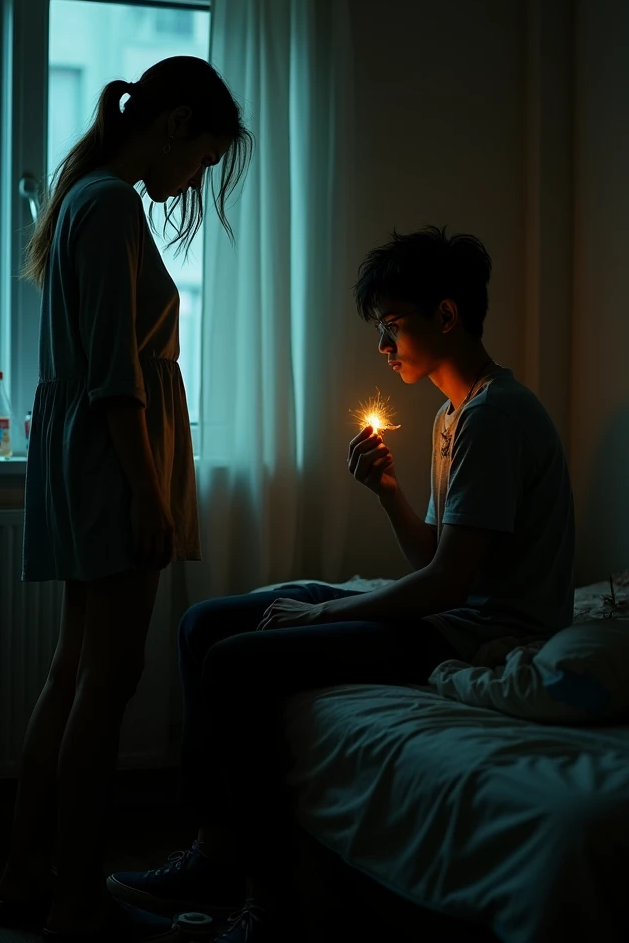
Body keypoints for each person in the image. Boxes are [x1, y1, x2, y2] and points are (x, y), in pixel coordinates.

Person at [107, 226, 575, 943]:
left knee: (235, 664)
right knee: (202, 624)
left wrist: (329, 612)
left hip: (485, 635)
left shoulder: (496, 416)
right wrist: (386, 490)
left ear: (445, 316)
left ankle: (267, 901)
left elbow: (446, 585)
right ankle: (216, 851)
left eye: (392, 328)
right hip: (449, 611)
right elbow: (435, 558)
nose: (383, 349)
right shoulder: (455, 416)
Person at [0, 57, 252, 943]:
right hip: (115, 465)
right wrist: (149, 495)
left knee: (76, 673)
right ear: (175, 125)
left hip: (95, 459)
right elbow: (113, 377)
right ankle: (73, 900)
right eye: (206, 157)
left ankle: (29, 878)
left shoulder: (92, 198)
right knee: (106, 681)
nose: (198, 178)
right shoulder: (109, 204)